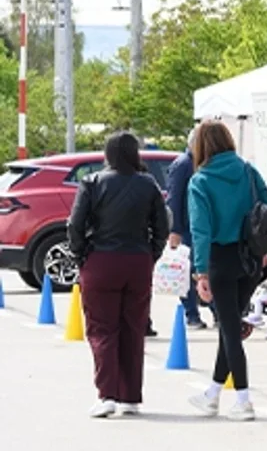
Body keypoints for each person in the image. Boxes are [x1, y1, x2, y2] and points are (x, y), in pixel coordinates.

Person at [69, 130, 170, 418]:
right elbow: (161, 226)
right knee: (133, 328)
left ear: (108, 154)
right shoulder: (148, 184)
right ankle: (130, 397)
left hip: (101, 261)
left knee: (102, 329)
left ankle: (107, 395)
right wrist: (152, 253)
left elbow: (76, 225)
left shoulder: (92, 182)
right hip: (138, 260)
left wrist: (81, 256)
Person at [184, 121, 267, 422]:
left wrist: (200, 272)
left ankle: (244, 399)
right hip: (249, 257)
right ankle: (212, 393)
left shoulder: (201, 181)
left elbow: (200, 230)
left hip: (219, 259)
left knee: (230, 330)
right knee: (230, 327)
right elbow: (266, 205)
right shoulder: (248, 170)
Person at [166, 140, 210, 331]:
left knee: (202, 269)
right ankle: (192, 314)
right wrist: (174, 229)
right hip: (186, 227)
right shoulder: (183, 164)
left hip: (200, 225)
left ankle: (212, 311)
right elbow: (174, 198)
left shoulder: (201, 163)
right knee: (187, 272)